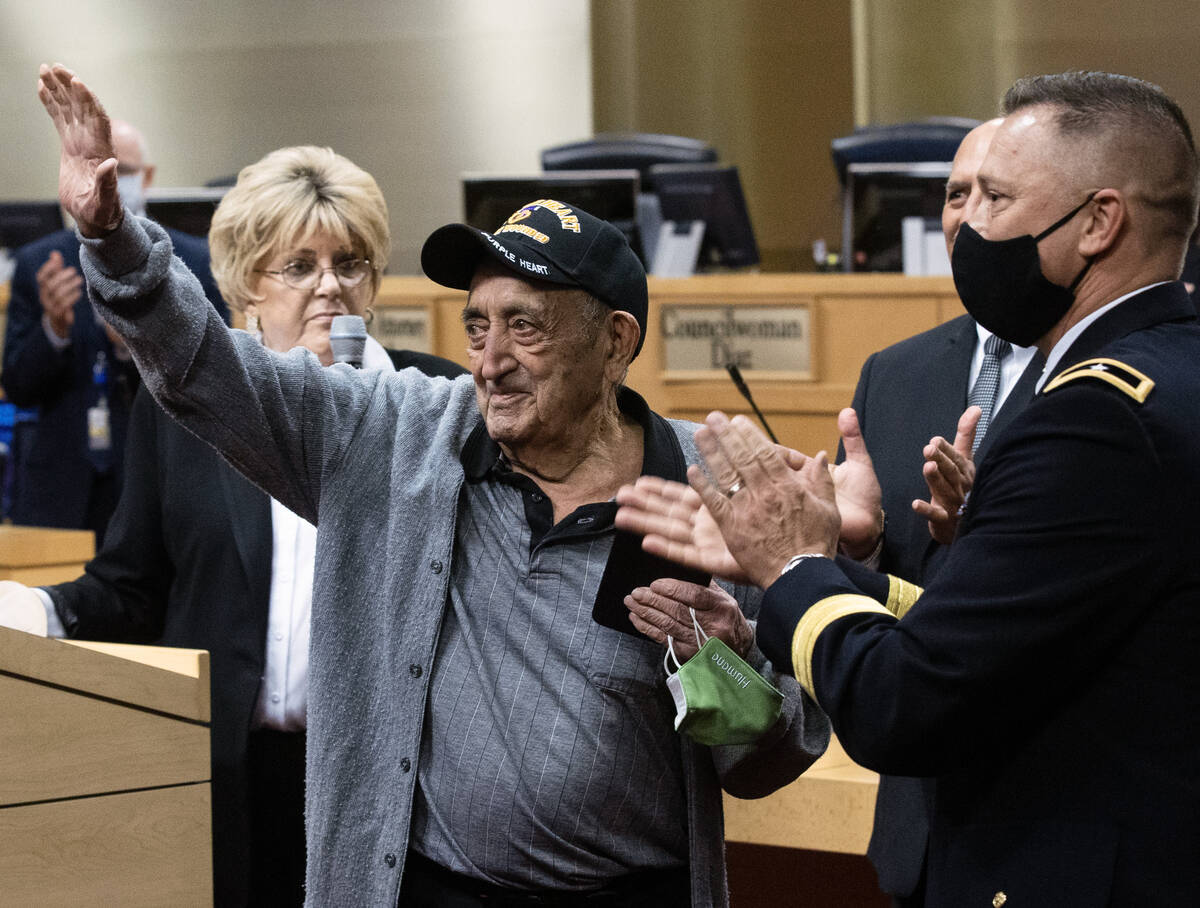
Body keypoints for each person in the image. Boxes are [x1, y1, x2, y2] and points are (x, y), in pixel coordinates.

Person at [33, 64, 828, 908]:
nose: (489, 361)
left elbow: (765, 764)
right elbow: (207, 370)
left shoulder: (709, 492)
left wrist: (730, 663)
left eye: (525, 326)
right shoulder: (401, 435)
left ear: (615, 342)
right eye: (478, 326)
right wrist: (116, 241)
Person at [617, 70, 1200, 906]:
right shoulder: (1169, 372)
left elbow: (911, 703)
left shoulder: (1092, 420)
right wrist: (832, 566)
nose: (969, 229)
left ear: (1100, 223)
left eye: (996, 198)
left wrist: (791, 569)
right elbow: (1006, 631)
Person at [0, 144, 466, 907]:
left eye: (350, 263)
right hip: (222, 780)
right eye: (299, 266)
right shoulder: (179, 410)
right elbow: (132, 585)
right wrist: (42, 610)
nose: (330, 287)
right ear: (247, 282)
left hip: (386, 789)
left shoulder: (435, 406)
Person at [840, 118, 1044, 907]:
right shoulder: (893, 375)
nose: (967, 212)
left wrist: (980, 531)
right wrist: (853, 551)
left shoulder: (1097, 379)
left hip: (1045, 823)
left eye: (993, 192)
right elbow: (884, 603)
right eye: (956, 193)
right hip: (919, 837)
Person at [1, 118, 226, 544]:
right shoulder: (40, 262)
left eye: (120, 172)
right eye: (95, 171)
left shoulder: (191, 261)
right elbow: (17, 386)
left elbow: (215, 376)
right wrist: (54, 330)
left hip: (159, 478)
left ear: (148, 177)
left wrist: (139, 341)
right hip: (61, 489)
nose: (108, 185)